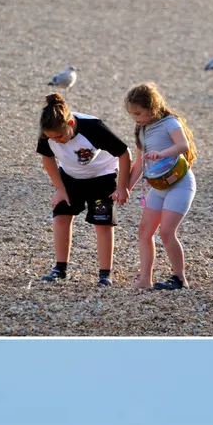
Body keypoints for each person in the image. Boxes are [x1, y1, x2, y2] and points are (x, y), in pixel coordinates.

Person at [37, 93, 131, 287]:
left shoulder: (93, 127)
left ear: (70, 124)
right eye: (52, 138)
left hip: (102, 176)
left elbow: (124, 152)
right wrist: (60, 188)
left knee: (102, 223)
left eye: (60, 137)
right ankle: (60, 269)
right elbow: (47, 158)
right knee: (61, 215)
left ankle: (105, 274)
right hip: (70, 176)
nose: (58, 141)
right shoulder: (48, 133)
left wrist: (122, 187)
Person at [125, 82, 197, 290]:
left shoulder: (169, 123)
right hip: (158, 186)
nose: (136, 118)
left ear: (152, 107)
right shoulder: (141, 130)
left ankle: (180, 279)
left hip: (180, 183)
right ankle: (145, 279)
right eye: (132, 115)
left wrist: (161, 154)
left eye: (139, 113)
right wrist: (126, 189)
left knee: (166, 231)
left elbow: (183, 145)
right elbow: (139, 164)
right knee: (144, 231)